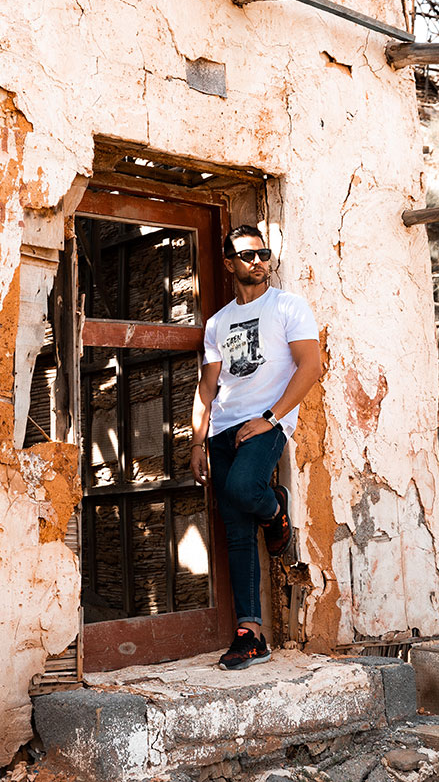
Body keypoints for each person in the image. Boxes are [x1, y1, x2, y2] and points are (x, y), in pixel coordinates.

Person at [190, 224, 323, 670]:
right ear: (230, 263)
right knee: (235, 530)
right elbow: (208, 387)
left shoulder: (288, 306)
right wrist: (197, 440)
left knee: (248, 491)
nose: (258, 261)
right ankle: (252, 635)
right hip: (222, 430)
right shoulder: (216, 323)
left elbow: (310, 367)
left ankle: (276, 511)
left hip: (265, 426)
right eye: (247, 256)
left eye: (263, 253)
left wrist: (270, 419)